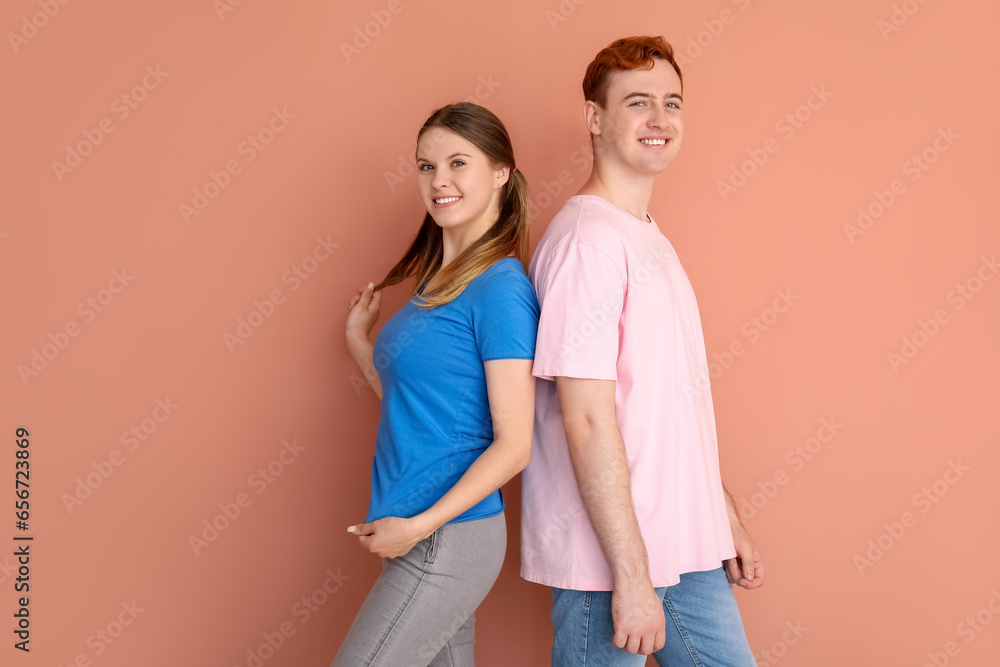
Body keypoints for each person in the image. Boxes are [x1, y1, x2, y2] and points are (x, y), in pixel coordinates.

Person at [520, 36, 763, 666]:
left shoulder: (644, 236)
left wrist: (719, 513)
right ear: (595, 119)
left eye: (672, 102)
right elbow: (587, 416)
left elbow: (668, 410)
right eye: (638, 103)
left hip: (682, 546)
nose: (660, 119)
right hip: (614, 559)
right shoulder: (589, 242)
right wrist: (630, 575)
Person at [335, 102, 539, 667]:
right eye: (426, 166)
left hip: (445, 537)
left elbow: (514, 444)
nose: (439, 181)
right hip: (410, 529)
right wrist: (361, 348)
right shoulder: (436, 285)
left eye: (457, 163)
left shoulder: (500, 289)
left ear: (500, 172)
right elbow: (421, 412)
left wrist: (419, 528)